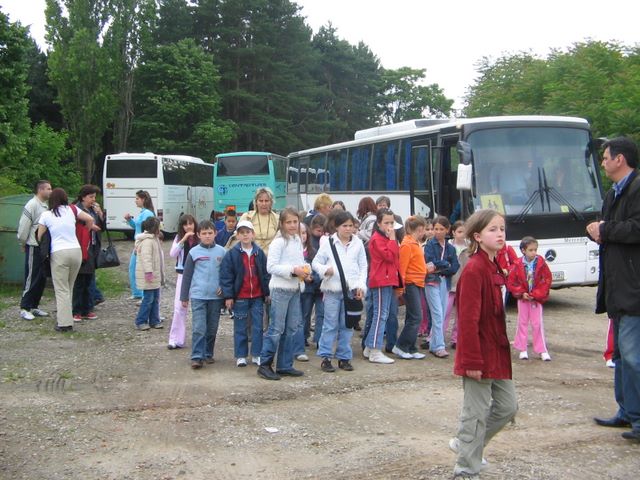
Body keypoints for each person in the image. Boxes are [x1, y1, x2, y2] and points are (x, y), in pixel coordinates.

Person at [450, 209, 518, 479]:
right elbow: (467, 321)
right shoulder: (475, 269)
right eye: (493, 229)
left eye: (502, 228)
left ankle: (467, 444)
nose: (500, 234)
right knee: (475, 414)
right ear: (477, 236)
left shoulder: (493, 264)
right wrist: (471, 361)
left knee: (507, 407)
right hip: (478, 355)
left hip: (496, 353)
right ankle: (466, 469)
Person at [587, 136, 640, 443]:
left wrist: (604, 229)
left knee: (633, 356)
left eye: (606, 157)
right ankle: (626, 411)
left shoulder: (637, 188)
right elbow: (609, 230)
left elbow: (636, 228)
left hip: (634, 289)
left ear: (620, 159)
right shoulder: (613, 193)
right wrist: (597, 231)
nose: (603, 163)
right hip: (617, 288)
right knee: (620, 355)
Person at [313, 211, 367, 372]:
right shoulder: (328, 243)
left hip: (351, 290)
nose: (348, 229)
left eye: (351, 225)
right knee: (330, 324)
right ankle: (326, 356)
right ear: (337, 226)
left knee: (347, 324)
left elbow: (363, 266)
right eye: (344, 226)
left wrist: (361, 285)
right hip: (332, 289)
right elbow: (316, 262)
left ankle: (344, 357)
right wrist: (325, 270)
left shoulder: (358, 243)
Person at [258, 207, 307, 380]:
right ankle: (264, 364)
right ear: (282, 224)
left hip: (295, 288)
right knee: (276, 328)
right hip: (280, 289)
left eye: (295, 222)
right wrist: (293, 270)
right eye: (289, 222)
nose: (292, 225)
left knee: (291, 328)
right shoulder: (278, 242)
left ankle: (284, 364)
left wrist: (305, 271)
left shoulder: (297, 240)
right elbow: (271, 267)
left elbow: (299, 261)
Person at [37, 188, 96, 332]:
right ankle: (68, 317)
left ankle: (64, 323)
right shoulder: (72, 209)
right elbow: (90, 219)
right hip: (76, 251)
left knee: (61, 289)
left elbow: (39, 236)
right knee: (69, 287)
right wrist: (86, 231)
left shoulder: (46, 215)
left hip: (59, 252)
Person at [220, 220, 270, 367]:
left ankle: (257, 354)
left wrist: (267, 292)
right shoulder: (232, 254)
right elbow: (226, 276)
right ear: (237, 235)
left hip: (257, 297)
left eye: (248, 232)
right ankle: (241, 355)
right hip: (240, 297)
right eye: (242, 233)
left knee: (258, 327)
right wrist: (229, 296)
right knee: (240, 326)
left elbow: (265, 274)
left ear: (253, 234)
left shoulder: (259, 253)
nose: (245, 235)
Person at [180, 220, 226, 369]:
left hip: (215, 297)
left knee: (212, 328)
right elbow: (187, 275)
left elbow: (227, 273)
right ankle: (196, 356)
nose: (207, 236)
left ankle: (208, 353)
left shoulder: (222, 252)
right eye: (204, 233)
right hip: (198, 296)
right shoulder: (193, 252)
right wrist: (184, 296)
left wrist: (224, 287)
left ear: (215, 233)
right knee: (199, 327)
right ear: (198, 235)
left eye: (210, 233)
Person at [363, 208, 401, 364]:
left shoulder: (384, 237)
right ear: (378, 223)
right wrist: (392, 239)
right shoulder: (378, 239)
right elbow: (390, 256)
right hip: (380, 280)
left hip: (386, 279)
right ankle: (375, 350)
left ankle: (369, 347)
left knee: (380, 314)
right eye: (386, 223)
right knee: (380, 315)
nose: (390, 226)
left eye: (392, 223)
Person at [507, 236, 552, 361]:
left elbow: (546, 280)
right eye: (531, 250)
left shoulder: (541, 264)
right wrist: (521, 293)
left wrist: (536, 294)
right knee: (522, 322)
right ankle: (522, 348)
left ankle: (542, 350)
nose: (534, 253)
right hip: (523, 299)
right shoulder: (517, 264)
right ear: (523, 250)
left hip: (535, 299)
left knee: (537, 324)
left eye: (535, 250)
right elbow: (512, 281)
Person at [393, 215, 428, 360]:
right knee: (416, 316)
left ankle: (411, 348)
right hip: (410, 283)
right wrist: (401, 287)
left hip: (417, 283)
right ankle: (401, 345)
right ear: (419, 229)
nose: (425, 232)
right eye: (424, 229)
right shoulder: (407, 244)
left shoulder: (413, 243)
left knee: (412, 316)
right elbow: (402, 267)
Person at [425, 216, 459, 358]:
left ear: (447, 230)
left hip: (445, 281)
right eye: (435, 229)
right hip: (432, 281)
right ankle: (439, 345)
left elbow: (455, 266)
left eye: (441, 229)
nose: (438, 232)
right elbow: (430, 261)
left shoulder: (451, 248)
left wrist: (441, 267)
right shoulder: (430, 245)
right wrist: (446, 264)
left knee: (442, 313)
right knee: (438, 313)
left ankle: (434, 343)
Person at [18, 180, 52, 321]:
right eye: (48, 188)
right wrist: (22, 242)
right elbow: (24, 225)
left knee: (41, 278)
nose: (50, 191)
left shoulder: (45, 205)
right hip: (33, 245)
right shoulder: (32, 204)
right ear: (40, 190)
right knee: (31, 277)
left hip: (43, 247)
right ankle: (24, 307)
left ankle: (34, 306)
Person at [72, 185, 104, 322]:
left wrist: (100, 214)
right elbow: (75, 227)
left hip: (93, 247)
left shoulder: (92, 210)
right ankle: (76, 310)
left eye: (94, 197)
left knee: (89, 279)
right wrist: (90, 226)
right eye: (91, 197)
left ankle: (87, 308)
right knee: (80, 280)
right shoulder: (76, 209)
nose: (93, 200)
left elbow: (102, 228)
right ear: (83, 197)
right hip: (81, 246)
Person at [167, 214, 198, 350]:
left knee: (199, 307)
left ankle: (200, 339)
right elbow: (172, 254)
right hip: (182, 274)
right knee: (179, 307)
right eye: (185, 224)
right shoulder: (179, 237)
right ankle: (175, 339)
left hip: (198, 275)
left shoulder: (199, 237)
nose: (188, 226)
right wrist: (184, 239)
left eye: (191, 223)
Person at [133, 216, 165, 331]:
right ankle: (141, 321)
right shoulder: (148, 241)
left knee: (155, 299)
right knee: (148, 299)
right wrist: (148, 272)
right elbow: (146, 258)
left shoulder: (154, 239)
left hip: (154, 276)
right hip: (149, 276)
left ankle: (154, 320)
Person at [294, 222, 319, 361]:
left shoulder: (312, 251)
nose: (302, 236)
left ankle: (303, 338)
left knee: (305, 315)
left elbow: (317, 270)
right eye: (299, 233)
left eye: (304, 233)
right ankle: (295, 343)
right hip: (293, 288)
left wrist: (312, 277)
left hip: (308, 289)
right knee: (295, 317)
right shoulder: (290, 250)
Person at [124, 190, 155, 300]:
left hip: (142, 244)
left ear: (143, 199)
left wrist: (141, 245)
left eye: (137, 198)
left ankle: (143, 294)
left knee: (140, 269)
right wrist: (129, 220)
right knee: (133, 268)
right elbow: (137, 227)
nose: (135, 201)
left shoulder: (148, 214)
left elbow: (147, 230)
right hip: (138, 243)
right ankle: (137, 292)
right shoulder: (142, 212)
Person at [230, 187, 279, 254]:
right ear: (256, 202)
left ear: (271, 202)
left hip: (272, 256)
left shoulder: (277, 219)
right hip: (251, 256)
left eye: (266, 201)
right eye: (261, 201)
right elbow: (237, 237)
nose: (264, 204)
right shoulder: (247, 217)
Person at [444, 221, 468, 350]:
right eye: (459, 232)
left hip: (464, 285)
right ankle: (438, 338)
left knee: (461, 315)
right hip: (449, 284)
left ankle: (456, 339)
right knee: (445, 313)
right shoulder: (447, 247)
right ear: (453, 232)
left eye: (464, 232)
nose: (462, 234)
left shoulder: (470, 248)